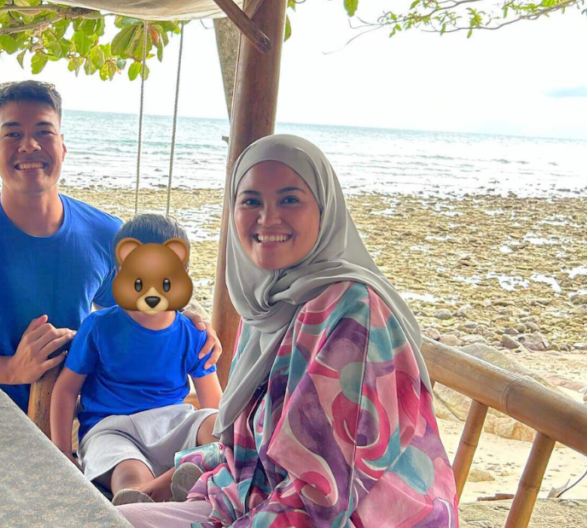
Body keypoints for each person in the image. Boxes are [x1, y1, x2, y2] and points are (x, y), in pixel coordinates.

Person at [118, 134, 458, 527]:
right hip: (263, 499)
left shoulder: (352, 315)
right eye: (250, 201)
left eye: (290, 199)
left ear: (324, 209)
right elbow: (249, 446)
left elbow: (323, 501)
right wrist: (157, 487)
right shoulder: (272, 304)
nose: (268, 217)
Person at [0, 81, 220, 414]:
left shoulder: (108, 235)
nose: (29, 145)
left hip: (80, 423)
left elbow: (131, 314)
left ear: (63, 147)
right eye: (13, 134)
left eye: (44, 132)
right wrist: (10, 370)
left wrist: (185, 318)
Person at [50, 214, 223, 506]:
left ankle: (166, 484)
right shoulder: (99, 326)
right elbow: (66, 389)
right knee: (128, 472)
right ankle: (161, 487)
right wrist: (62, 452)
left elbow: (213, 403)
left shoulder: (193, 333)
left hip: (172, 423)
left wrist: (218, 433)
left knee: (218, 426)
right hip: (112, 428)